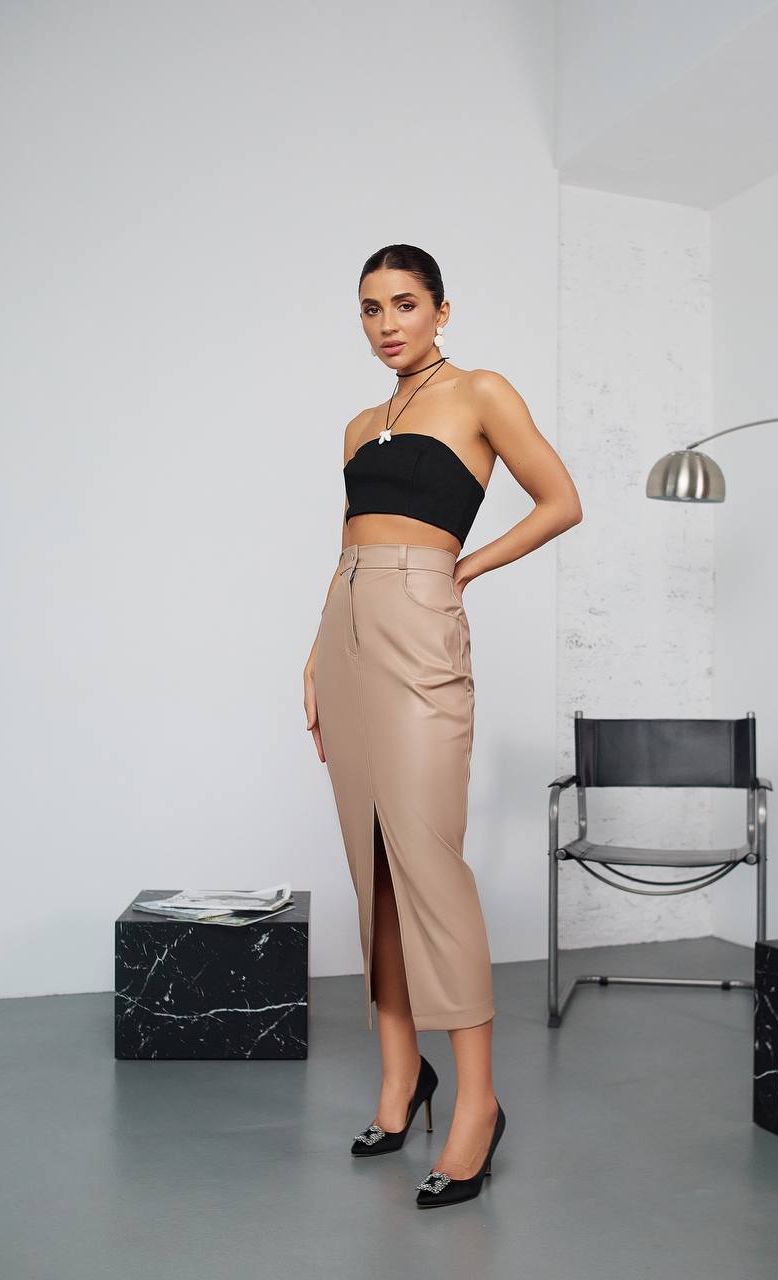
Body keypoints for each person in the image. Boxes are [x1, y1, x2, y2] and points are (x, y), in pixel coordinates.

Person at [303, 244, 582, 1208]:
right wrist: (313, 654)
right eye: (371, 308)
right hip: (344, 628)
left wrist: (463, 568)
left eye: (405, 304)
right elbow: (347, 546)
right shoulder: (356, 422)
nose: (387, 323)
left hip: (421, 620)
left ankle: (477, 1103)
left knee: (428, 861)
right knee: (368, 862)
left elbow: (561, 501)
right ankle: (397, 1083)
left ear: (441, 309)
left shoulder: (479, 392)